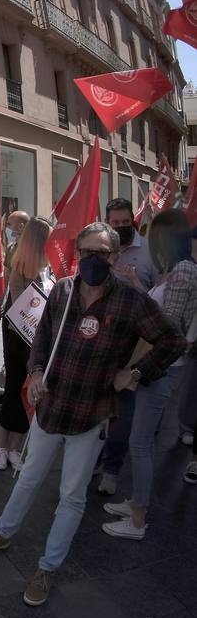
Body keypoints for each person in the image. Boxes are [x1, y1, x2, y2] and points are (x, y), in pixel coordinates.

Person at [0, 222, 185, 606]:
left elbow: (172, 340)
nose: (92, 260)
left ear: (115, 257)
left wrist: (134, 374)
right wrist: (34, 374)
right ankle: (3, 532)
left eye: (101, 254)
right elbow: (42, 340)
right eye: (86, 252)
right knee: (28, 478)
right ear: (77, 253)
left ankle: (47, 568)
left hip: (91, 412)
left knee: (71, 496)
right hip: (52, 407)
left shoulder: (131, 300)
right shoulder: (63, 290)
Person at [96, 208, 197, 533]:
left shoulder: (182, 271)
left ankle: (138, 518)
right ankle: (137, 500)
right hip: (157, 367)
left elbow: (166, 331)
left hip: (161, 369)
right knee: (142, 442)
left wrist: (131, 369)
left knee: (140, 444)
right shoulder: (175, 270)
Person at [0, 217, 51, 472]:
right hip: (19, 331)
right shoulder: (21, 266)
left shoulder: (50, 265)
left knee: (29, 391)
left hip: (40, 334)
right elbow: (18, 302)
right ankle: (2, 447)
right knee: (15, 387)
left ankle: (16, 447)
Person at [106, 197, 157, 291]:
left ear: (132, 220)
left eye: (125, 222)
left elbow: (158, 292)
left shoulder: (151, 249)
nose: (121, 226)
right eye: (116, 223)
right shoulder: (101, 249)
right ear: (107, 222)